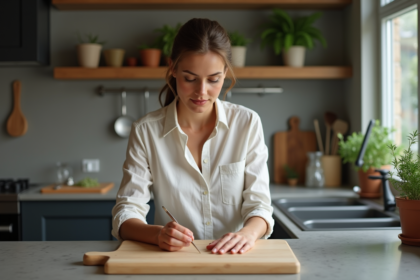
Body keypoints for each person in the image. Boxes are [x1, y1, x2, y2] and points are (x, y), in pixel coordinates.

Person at [112, 18, 274, 255]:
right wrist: (158, 235)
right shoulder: (145, 131)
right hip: (173, 263)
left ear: (225, 73)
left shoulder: (247, 123)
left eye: (213, 79)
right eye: (190, 78)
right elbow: (126, 212)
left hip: (236, 262)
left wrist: (246, 235)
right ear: (173, 69)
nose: (201, 91)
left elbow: (260, 205)